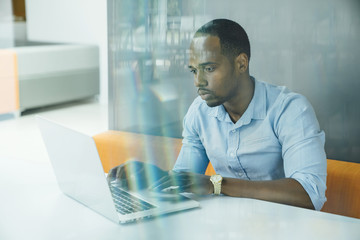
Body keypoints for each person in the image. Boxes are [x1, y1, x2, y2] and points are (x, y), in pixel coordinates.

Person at [107, 19, 327, 211]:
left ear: (241, 63)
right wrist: (154, 177)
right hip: (225, 227)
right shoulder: (199, 112)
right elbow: (185, 181)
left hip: (285, 227)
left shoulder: (290, 110)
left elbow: (309, 194)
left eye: (209, 68)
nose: (198, 81)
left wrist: (216, 184)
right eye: (194, 70)